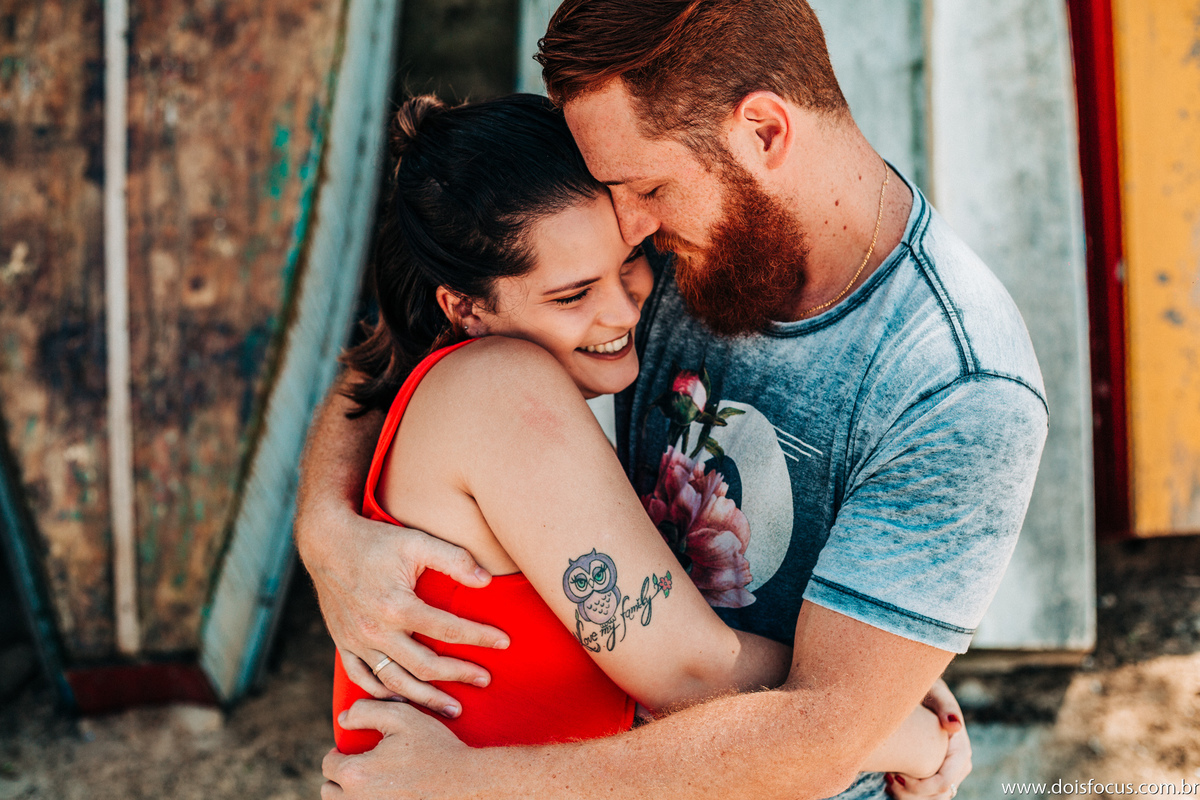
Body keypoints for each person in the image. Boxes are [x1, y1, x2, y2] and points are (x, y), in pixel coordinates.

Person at [305, 1, 1049, 798]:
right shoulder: (646, 247)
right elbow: (410, 339)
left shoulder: (958, 388)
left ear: (763, 133)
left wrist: (864, 707)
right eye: (613, 190)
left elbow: (820, 735)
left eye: (645, 187)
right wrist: (323, 522)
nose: (627, 225)